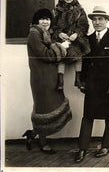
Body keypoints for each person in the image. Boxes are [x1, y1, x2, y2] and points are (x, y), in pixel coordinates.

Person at [75, 6, 109, 162]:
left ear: (106, 20)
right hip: (92, 85)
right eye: (94, 19)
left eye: (100, 19)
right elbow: (83, 63)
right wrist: (82, 81)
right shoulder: (88, 40)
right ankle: (82, 149)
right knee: (88, 116)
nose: (97, 22)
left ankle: (106, 146)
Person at [23, 8, 72, 154]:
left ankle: (32, 135)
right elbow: (46, 55)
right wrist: (61, 47)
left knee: (47, 109)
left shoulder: (43, 34)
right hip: (41, 80)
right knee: (44, 111)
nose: (46, 21)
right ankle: (42, 143)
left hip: (48, 78)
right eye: (42, 19)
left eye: (48, 19)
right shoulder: (34, 34)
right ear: (36, 21)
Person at [52, 0, 90, 90]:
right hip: (61, 38)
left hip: (74, 38)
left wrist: (76, 34)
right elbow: (53, 26)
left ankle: (78, 79)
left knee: (79, 52)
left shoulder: (80, 10)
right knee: (60, 53)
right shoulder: (57, 10)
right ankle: (60, 81)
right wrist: (59, 33)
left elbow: (84, 26)